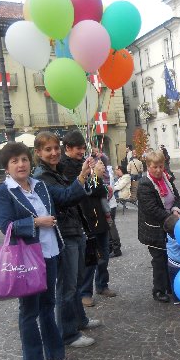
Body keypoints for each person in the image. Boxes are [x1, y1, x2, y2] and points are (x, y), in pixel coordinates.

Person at [0, 142, 92, 360]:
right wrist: (36, 222)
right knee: (29, 312)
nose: (21, 164)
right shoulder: (3, 192)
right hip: (28, 259)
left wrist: (83, 175)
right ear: (7, 167)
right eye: (14, 161)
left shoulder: (41, 186)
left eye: (24, 160)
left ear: (30, 162)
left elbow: (67, 196)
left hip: (51, 254)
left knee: (48, 307)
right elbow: (6, 226)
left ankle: (56, 353)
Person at [32, 132, 98, 349]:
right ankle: (68, 334)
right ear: (38, 153)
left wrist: (84, 176)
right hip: (64, 234)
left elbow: (75, 195)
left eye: (55, 148)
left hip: (73, 230)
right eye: (47, 150)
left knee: (76, 282)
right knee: (67, 287)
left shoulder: (56, 171)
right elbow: (65, 197)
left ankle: (80, 321)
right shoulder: (42, 177)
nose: (53, 153)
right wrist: (81, 176)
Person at [61, 131, 117, 308]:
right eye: (78, 148)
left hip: (98, 214)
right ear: (68, 148)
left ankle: (102, 285)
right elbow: (83, 190)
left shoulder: (85, 163)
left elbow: (99, 190)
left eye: (83, 148)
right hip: (84, 217)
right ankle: (86, 292)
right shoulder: (66, 167)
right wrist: (95, 176)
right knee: (90, 258)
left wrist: (96, 177)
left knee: (105, 254)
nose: (82, 151)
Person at [137, 150, 180, 303]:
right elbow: (151, 209)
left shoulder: (166, 178)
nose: (158, 170)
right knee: (159, 259)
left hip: (168, 224)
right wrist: (171, 218)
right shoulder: (144, 184)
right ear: (148, 166)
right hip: (154, 229)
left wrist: (175, 209)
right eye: (154, 167)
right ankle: (158, 290)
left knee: (169, 257)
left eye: (161, 166)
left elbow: (176, 196)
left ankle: (169, 286)